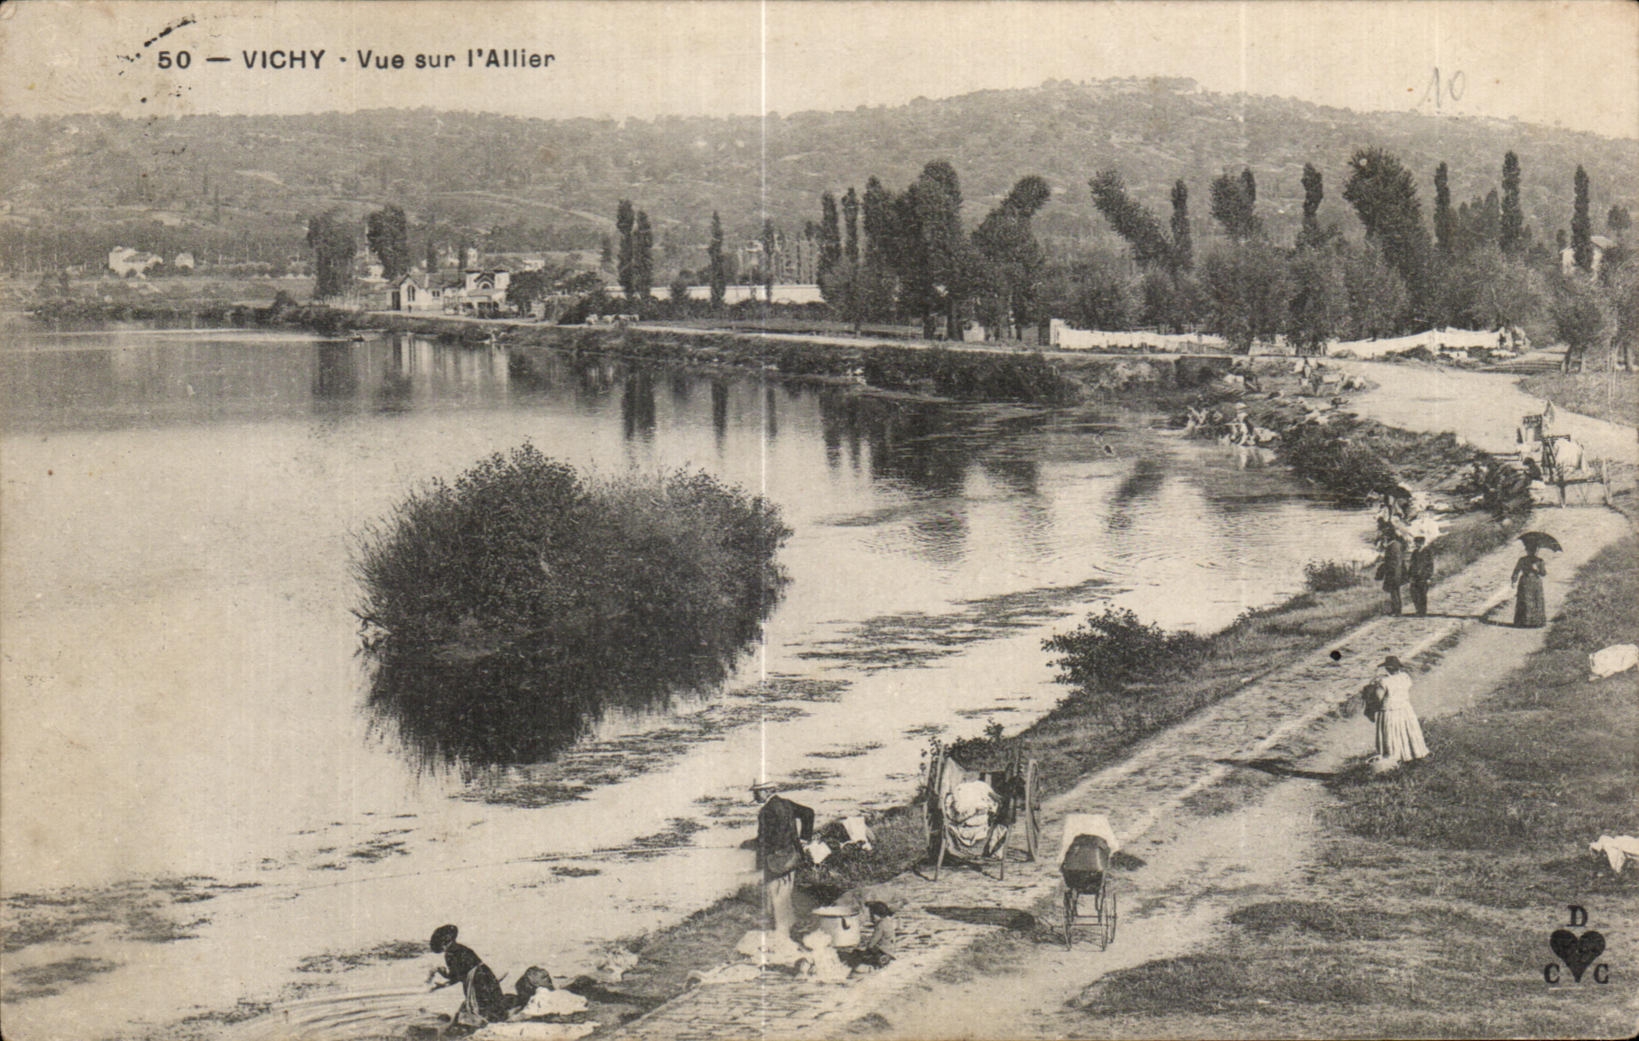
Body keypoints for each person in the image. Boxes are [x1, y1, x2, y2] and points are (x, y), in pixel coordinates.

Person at [752, 779, 814, 941]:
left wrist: (753, 846)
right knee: (786, 892)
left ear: (767, 791)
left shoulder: (767, 810)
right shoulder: (786, 804)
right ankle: (789, 926)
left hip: (775, 858)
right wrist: (805, 838)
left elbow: (769, 838)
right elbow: (809, 813)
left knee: (775, 894)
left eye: (757, 791)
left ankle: (781, 932)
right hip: (792, 855)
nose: (754, 794)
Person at [427, 924, 512, 1025]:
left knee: (478, 1005)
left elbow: (455, 976)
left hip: (475, 980)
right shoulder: (462, 948)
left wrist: (442, 973)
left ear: (442, 944)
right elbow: (461, 972)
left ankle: (482, 1023)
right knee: (492, 998)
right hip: (485, 973)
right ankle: (499, 1019)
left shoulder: (450, 953)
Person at [1371, 656, 1428, 766]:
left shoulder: (1384, 681)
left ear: (1388, 668)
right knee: (1407, 732)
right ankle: (1412, 755)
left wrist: (1374, 687)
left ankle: (1393, 759)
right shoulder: (1405, 677)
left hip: (1390, 711)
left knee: (1392, 734)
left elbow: (1378, 697)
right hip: (1405, 709)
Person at [1511, 547, 1547, 628]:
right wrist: (1513, 580)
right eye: (1530, 550)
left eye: (1534, 550)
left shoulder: (1540, 561)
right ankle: (1523, 622)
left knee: (1536, 600)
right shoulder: (1522, 560)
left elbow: (1543, 573)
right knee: (1525, 601)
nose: (1532, 552)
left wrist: (1537, 569)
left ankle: (1537, 622)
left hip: (1536, 583)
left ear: (1537, 551)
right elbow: (1516, 570)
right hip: (1525, 582)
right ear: (1526, 550)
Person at [1376, 531, 1407, 616]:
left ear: (1389, 537)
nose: (1384, 539)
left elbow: (1393, 561)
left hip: (1393, 573)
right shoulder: (1396, 545)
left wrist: (1386, 570)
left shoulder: (1392, 546)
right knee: (1395, 591)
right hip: (1396, 572)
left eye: (1385, 537)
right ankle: (1396, 610)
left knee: (1394, 592)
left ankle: (1397, 611)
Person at [1407, 536, 1434, 616]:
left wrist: (1429, 577)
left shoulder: (1427, 552)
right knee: (1414, 594)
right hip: (1415, 577)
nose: (1416, 544)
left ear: (1422, 543)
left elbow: (1430, 565)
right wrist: (1410, 576)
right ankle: (1418, 610)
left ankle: (1422, 611)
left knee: (1422, 594)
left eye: (1417, 543)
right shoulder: (1415, 552)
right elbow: (1411, 565)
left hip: (1424, 576)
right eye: (1415, 543)